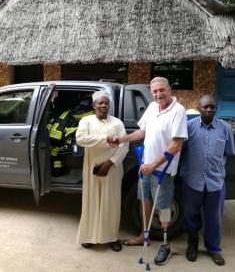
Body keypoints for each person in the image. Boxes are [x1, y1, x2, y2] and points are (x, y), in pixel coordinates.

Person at [111, 77, 187, 265]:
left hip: (163, 169)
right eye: (155, 91)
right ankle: (141, 236)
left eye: (162, 90)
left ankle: (165, 244)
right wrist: (122, 139)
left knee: (163, 207)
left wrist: (154, 165)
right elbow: (141, 131)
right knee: (144, 201)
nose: (158, 94)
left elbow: (177, 144)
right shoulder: (153, 108)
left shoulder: (178, 111)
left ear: (169, 90)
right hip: (145, 167)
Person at [179, 95, 235, 266]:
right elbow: (180, 151)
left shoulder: (225, 128)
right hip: (192, 181)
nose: (209, 110)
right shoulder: (188, 127)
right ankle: (192, 244)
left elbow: (229, 152)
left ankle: (213, 249)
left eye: (212, 107)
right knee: (190, 215)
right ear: (198, 107)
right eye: (205, 107)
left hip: (215, 182)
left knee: (214, 218)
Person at [75, 91, 129, 252]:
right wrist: (105, 139)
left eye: (106, 103)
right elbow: (81, 139)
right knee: (91, 202)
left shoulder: (117, 123)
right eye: (100, 103)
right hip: (92, 168)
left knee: (111, 204)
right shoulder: (86, 121)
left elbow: (124, 145)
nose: (103, 105)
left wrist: (110, 163)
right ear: (94, 105)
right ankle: (89, 237)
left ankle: (111, 238)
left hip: (112, 169)